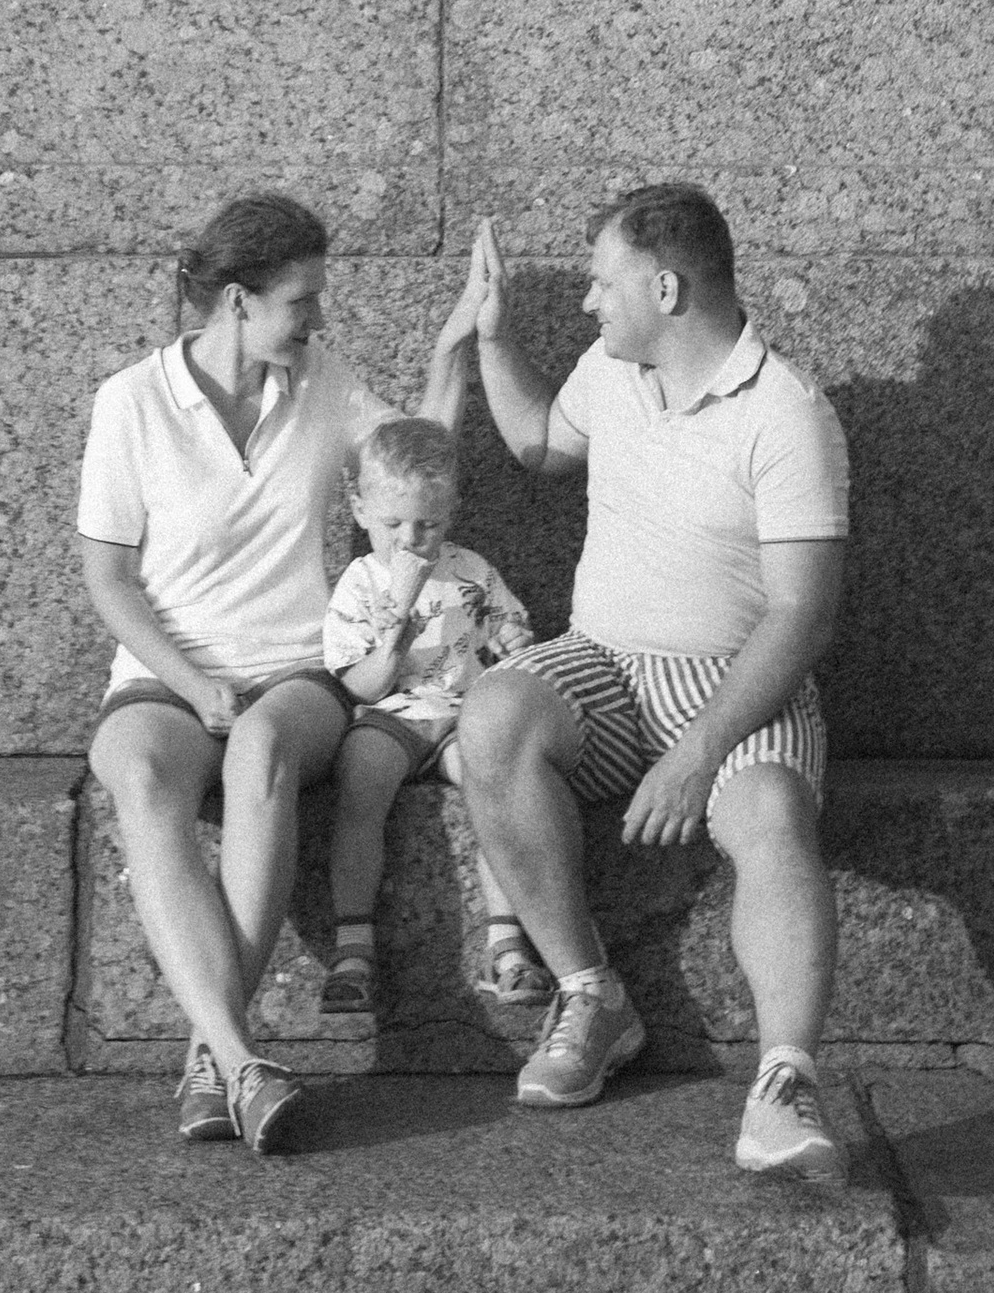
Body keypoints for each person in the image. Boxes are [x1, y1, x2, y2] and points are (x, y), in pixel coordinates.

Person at [452, 187, 852, 1186]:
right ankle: (592, 994)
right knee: (494, 714)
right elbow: (541, 442)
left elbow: (802, 614)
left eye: (600, 281)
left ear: (664, 287)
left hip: (733, 685)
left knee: (765, 811)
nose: (588, 303)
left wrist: (700, 751)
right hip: (604, 664)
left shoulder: (786, 415)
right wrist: (491, 343)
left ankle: (786, 1084)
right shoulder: (611, 371)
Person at [77, 190, 477, 1158]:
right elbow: (108, 579)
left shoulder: (324, 384)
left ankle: (218, 1062)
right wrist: (190, 680)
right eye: (301, 301)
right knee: (136, 771)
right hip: (164, 672)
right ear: (236, 302)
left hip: (298, 670)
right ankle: (234, 1059)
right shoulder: (130, 401)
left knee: (259, 752)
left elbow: (414, 459)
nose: (318, 319)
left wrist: (457, 348)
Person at [316, 413, 540, 1019]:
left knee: (493, 779)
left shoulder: (469, 570)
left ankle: (507, 942)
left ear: (452, 513)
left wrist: (515, 638)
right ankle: (353, 945)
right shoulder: (360, 583)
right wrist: (390, 644)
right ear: (360, 510)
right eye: (392, 524)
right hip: (392, 712)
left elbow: (507, 635)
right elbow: (358, 684)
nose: (410, 540)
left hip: (465, 710)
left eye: (428, 524)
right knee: (360, 773)